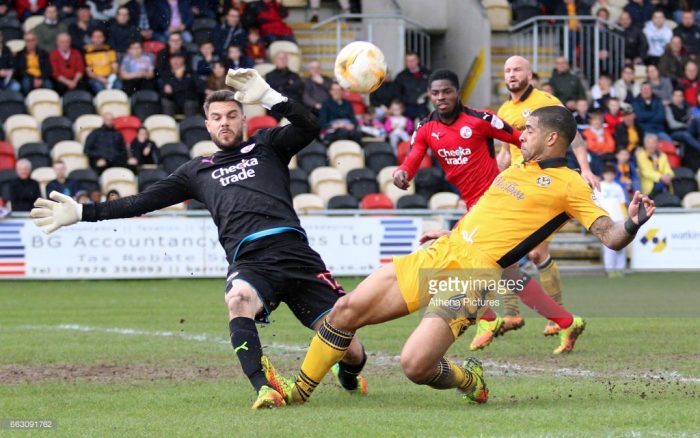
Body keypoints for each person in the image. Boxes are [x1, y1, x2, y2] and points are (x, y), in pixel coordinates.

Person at [265, 105, 655, 407]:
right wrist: (454, 231)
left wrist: (633, 224)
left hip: (474, 275)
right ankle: (298, 391)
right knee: (346, 309)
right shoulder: (518, 164)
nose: (522, 135)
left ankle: (469, 380)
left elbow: (610, 236)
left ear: (553, 138)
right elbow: (493, 209)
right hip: (446, 249)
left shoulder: (570, 185)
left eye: (530, 129)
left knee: (415, 365)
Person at [30, 69, 367, 409]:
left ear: (244, 120)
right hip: (251, 262)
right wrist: (83, 213)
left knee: (352, 348)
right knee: (237, 300)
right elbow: (142, 200)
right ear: (207, 126)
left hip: (296, 255)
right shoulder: (196, 171)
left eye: (232, 116)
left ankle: (349, 372)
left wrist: (269, 96)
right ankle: (264, 388)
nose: (225, 123)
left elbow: (309, 126)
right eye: (217, 118)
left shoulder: (268, 145)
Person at [493, 56, 600, 345]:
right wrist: (496, 171)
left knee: (536, 254)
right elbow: (505, 151)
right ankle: (512, 314)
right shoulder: (504, 109)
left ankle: (559, 317)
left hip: (542, 186)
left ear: (530, 74)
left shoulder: (545, 100)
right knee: (502, 253)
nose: (511, 74)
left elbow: (572, 135)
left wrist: (586, 169)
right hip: (515, 187)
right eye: (507, 70)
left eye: (517, 69)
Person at [595, 164, 628, 277]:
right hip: (606, 219)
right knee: (608, 245)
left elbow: (622, 203)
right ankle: (610, 269)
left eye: (611, 174)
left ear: (614, 175)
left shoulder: (618, 187)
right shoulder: (598, 187)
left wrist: (625, 217)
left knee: (621, 244)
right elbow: (596, 204)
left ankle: (620, 268)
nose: (609, 176)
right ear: (603, 175)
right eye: (607, 174)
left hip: (619, 219)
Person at [394, 52, 431, 120]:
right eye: (408, 61)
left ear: (418, 60)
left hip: (426, 106)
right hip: (408, 107)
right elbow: (397, 93)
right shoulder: (401, 76)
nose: (410, 63)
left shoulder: (428, 73)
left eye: (413, 60)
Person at [84, 28, 120, 93]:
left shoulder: (110, 49)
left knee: (118, 86)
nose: (98, 39)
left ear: (103, 38)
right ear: (92, 38)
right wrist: (100, 78)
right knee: (99, 87)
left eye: (100, 36)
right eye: (95, 37)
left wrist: (110, 78)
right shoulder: (88, 52)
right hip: (96, 78)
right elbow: (90, 70)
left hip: (110, 77)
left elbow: (114, 66)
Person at [583, 111, 616, 175]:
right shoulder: (586, 133)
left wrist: (598, 145)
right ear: (591, 121)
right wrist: (603, 144)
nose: (597, 122)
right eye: (594, 120)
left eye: (599, 120)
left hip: (605, 157)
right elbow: (590, 146)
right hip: (593, 158)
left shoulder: (606, 132)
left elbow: (611, 146)